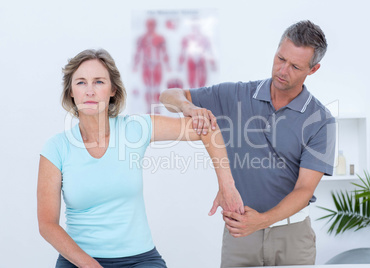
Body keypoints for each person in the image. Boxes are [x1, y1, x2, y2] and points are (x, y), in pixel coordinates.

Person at [37, 49, 243, 268]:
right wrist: (89, 265)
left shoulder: (134, 129)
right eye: (80, 83)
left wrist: (226, 185)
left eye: (98, 82)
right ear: (70, 91)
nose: (89, 91)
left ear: (113, 90)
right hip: (78, 261)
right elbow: (47, 224)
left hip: (140, 260)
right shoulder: (56, 148)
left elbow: (208, 129)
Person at [160, 20, 336, 267]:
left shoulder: (321, 120)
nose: (282, 70)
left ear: (313, 69)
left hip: (293, 237)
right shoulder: (235, 95)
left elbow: (304, 190)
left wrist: (262, 220)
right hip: (240, 233)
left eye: (295, 66)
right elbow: (169, 96)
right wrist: (190, 107)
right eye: (280, 58)